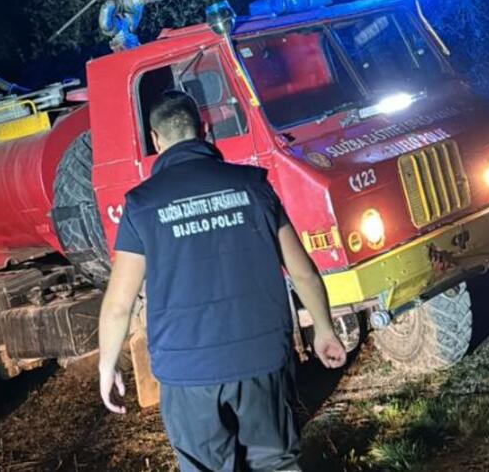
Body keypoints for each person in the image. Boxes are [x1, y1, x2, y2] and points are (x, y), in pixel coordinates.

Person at [97, 90, 347, 472]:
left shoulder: (142, 205)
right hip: (261, 358)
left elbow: (118, 305)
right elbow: (303, 272)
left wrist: (107, 365)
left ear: (156, 141)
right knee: (276, 462)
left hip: (187, 372)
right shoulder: (253, 186)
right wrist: (324, 330)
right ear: (204, 129)